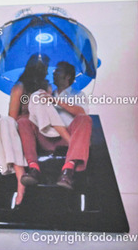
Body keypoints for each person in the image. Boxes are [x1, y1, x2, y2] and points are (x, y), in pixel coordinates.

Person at [2, 54, 70, 203]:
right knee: (23, 121)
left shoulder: (47, 88)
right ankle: (31, 171)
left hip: (43, 130)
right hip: (25, 130)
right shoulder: (20, 87)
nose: (46, 71)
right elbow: (12, 117)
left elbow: (50, 113)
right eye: (43, 67)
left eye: (46, 68)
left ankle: (69, 146)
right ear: (34, 68)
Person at [17, 61, 92, 190]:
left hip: (68, 139)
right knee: (23, 121)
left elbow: (81, 112)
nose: (54, 73)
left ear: (67, 76)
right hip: (45, 136)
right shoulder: (47, 92)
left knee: (84, 119)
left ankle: (68, 170)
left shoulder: (78, 94)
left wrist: (56, 101)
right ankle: (33, 168)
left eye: (58, 71)